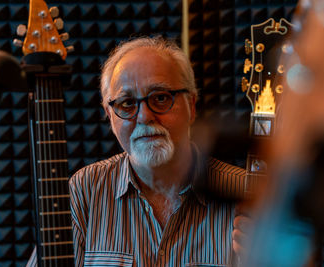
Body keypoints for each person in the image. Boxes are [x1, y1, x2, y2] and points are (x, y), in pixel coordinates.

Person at [27, 36, 247, 266]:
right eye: (127, 103)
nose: (144, 116)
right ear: (110, 115)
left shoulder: (247, 194)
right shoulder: (85, 191)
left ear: (191, 106)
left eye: (160, 98)